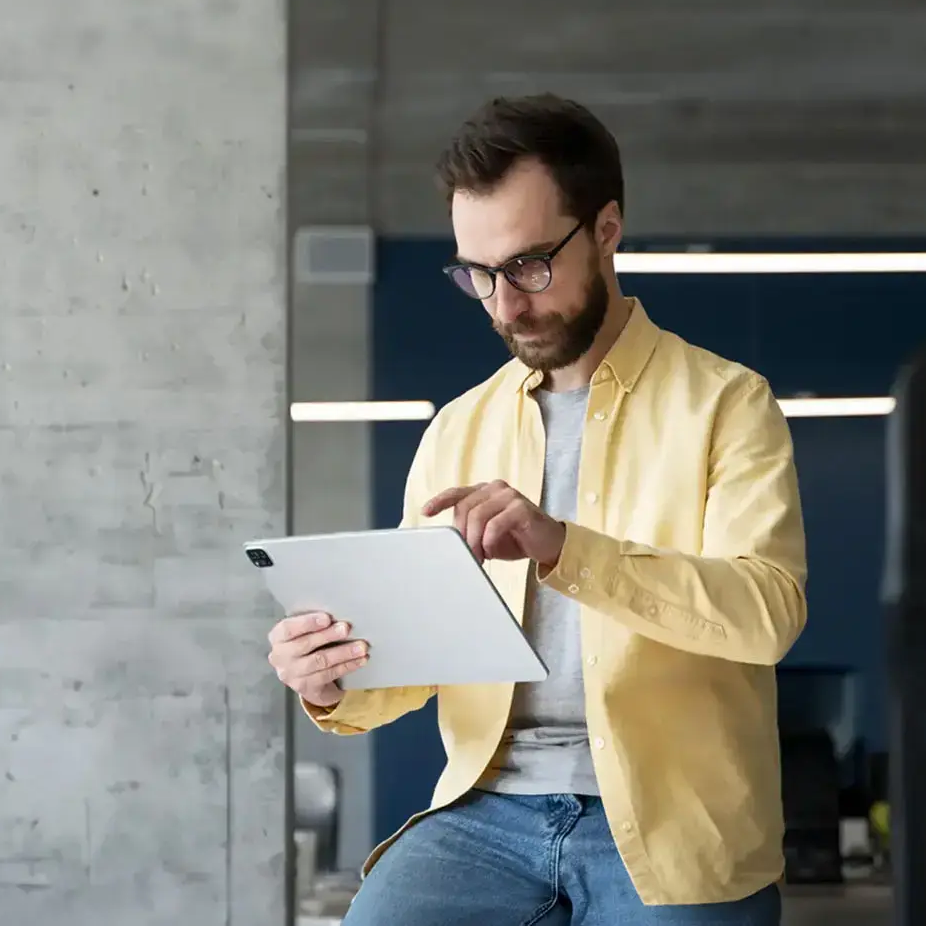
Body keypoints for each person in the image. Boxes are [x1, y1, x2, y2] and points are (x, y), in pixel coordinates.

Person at [267, 94, 810, 925]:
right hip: (488, 815)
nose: (504, 305)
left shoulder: (727, 404)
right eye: (477, 274)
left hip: (672, 823)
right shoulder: (460, 427)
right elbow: (416, 659)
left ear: (606, 229)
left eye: (528, 265)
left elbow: (767, 614)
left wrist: (566, 548)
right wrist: (336, 679)